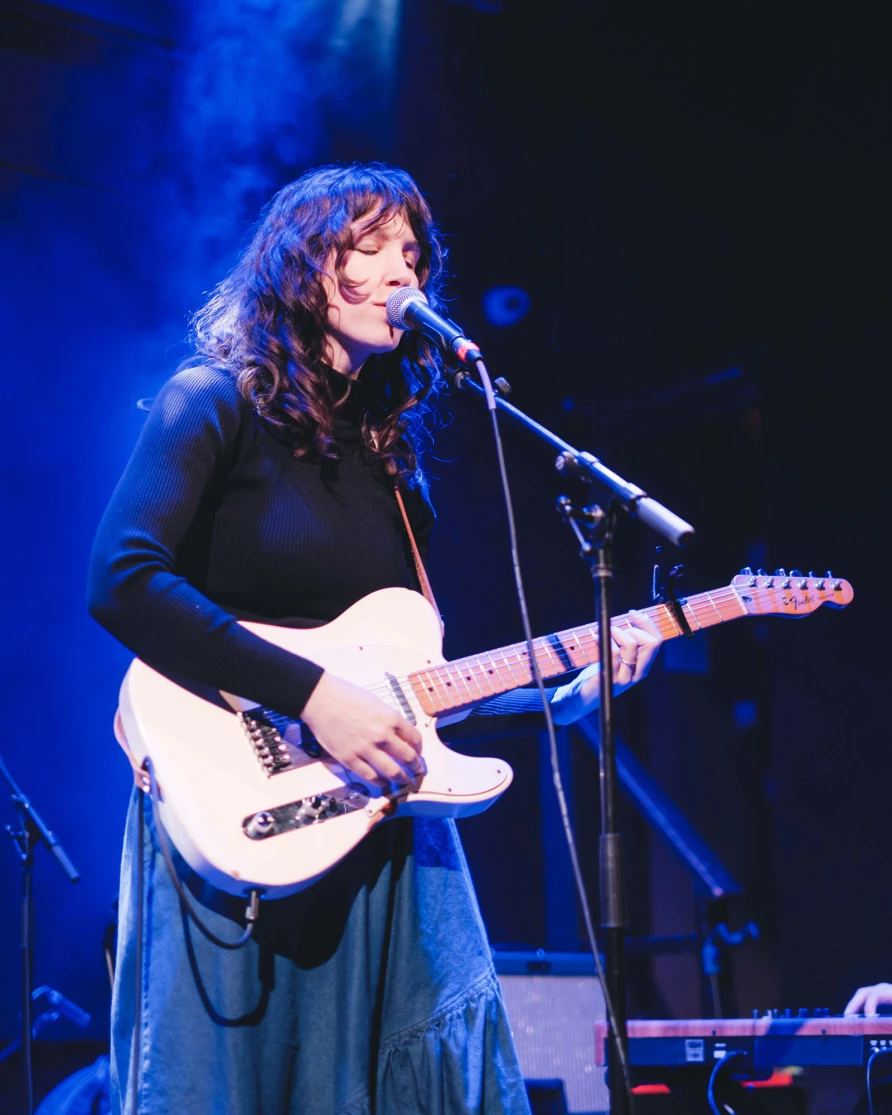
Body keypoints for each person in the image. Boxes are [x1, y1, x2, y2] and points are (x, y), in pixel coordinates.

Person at [88, 162, 663, 1115]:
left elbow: (413, 689)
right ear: (306, 267)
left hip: (388, 828)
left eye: (415, 254)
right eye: (373, 247)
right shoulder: (212, 401)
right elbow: (123, 579)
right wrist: (312, 696)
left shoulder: (398, 479)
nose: (407, 272)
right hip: (240, 813)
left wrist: (565, 692)